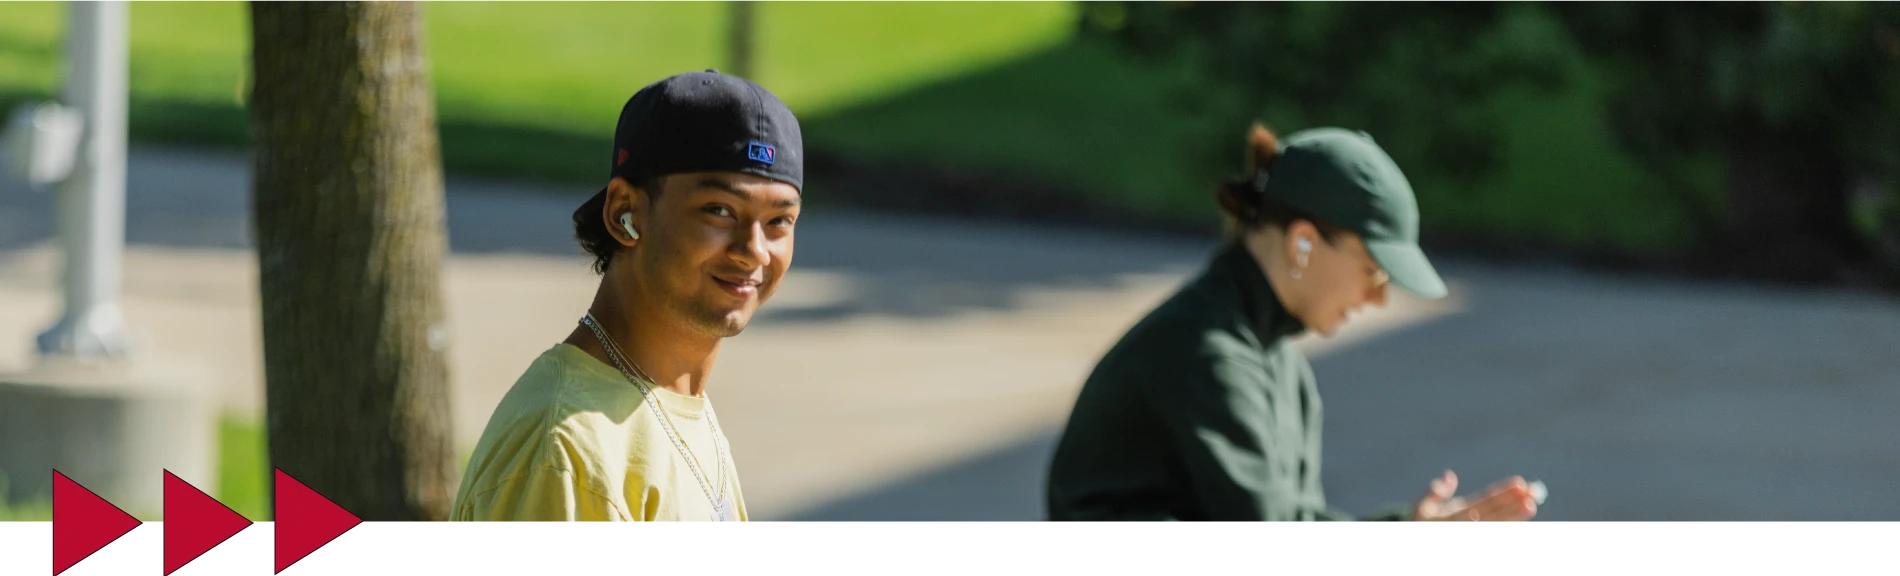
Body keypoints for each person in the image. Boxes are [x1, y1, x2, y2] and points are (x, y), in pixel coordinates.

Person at [1043, 122, 1539, 526]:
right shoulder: (1207, 354)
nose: (1379, 296)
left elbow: (1290, 519)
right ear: (1302, 243)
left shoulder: (1272, 357)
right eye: (1372, 270)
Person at [449, 70, 803, 523]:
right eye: (719, 211)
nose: (753, 249)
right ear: (624, 213)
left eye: (779, 221)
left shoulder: (671, 401)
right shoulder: (564, 451)